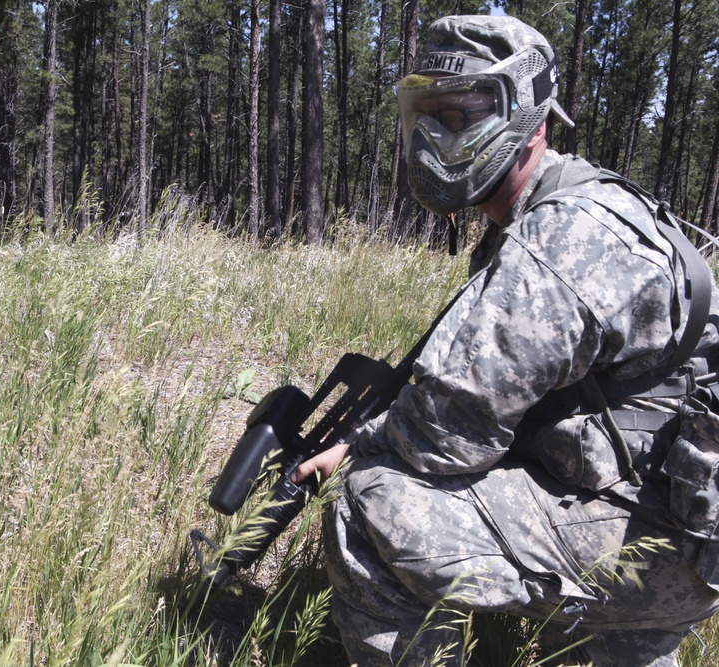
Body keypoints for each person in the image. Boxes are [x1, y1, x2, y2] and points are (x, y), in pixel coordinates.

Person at [292, 14, 719, 666]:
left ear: (532, 119)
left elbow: (450, 434)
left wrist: (355, 446)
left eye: (461, 114)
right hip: (663, 511)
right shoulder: (553, 207)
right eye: (426, 113)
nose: (436, 135)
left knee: (368, 503)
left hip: (661, 538)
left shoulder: (561, 236)